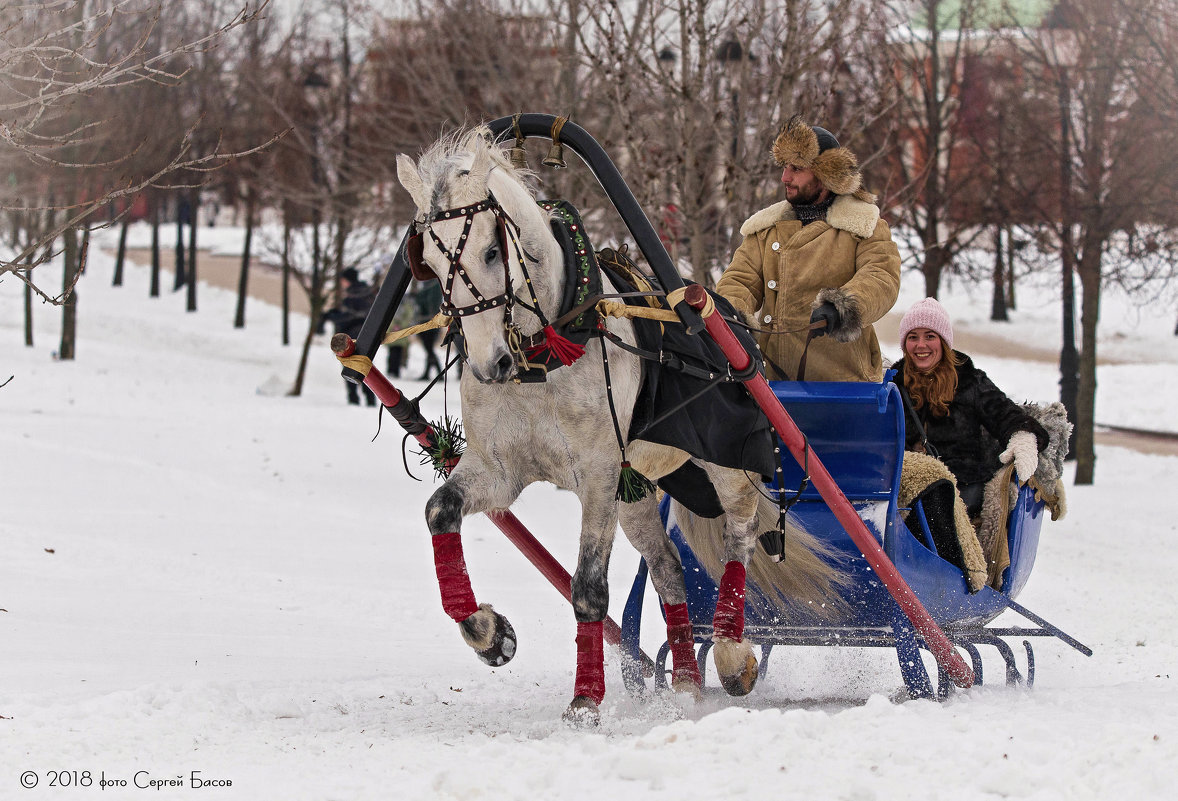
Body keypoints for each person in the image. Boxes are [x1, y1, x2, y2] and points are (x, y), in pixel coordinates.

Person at [716, 117, 901, 382]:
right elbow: (738, 280)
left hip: (842, 385)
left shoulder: (864, 226)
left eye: (797, 168)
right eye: (784, 167)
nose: (785, 177)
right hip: (769, 384)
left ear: (826, 174)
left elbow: (882, 277)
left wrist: (844, 306)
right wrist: (732, 316)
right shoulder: (766, 229)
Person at [894, 297, 1050, 591]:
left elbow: (1007, 415)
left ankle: (950, 581)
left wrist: (1023, 437)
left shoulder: (971, 382)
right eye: (913, 337)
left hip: (964, 482)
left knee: (936, 492)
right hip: (908, 481)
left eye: (930, 336)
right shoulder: (894, 385)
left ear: (944, 341)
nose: (921, 345)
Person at [324, 268, 377, 406]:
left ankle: (354, 399)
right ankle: (368, 399)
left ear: (347, 280)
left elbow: (350, 316)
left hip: (352, 336)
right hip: (365, 336)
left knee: (351, 367)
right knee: (364, 367)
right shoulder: (365, 292)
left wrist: (332, 316)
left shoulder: (354, 295)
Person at [414, 279, 444, 381]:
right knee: (429, 349)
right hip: (425, 322)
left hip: (430, 323)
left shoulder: (433, 285)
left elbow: (430, 303)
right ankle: (433, 373)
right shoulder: (427, 285)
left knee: (429, 349)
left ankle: (438, 373)